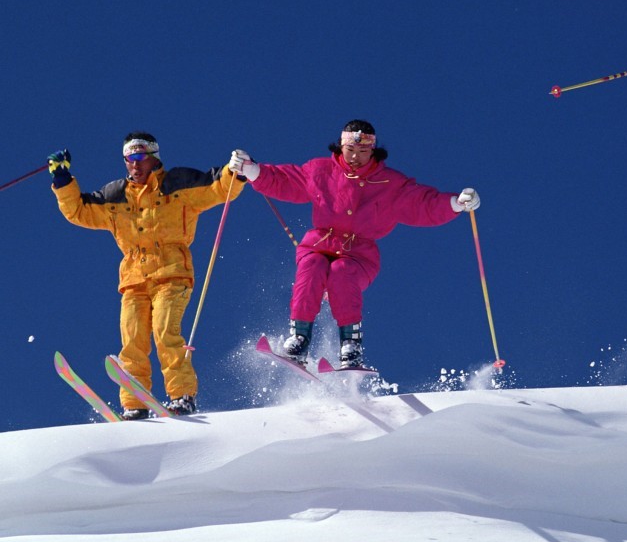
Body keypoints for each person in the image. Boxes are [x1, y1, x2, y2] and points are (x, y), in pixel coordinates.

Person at [227, 119, 480, 369]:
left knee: (341, 272)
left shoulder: (389, 184)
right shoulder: (320, 171)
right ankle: (299, 337)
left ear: (373, 151)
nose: (356, 157)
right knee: (312, 266)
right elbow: (285, 180)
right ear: (340, 148)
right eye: (350, 151)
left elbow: (422, 204)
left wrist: (456, 203)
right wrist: (250, 169)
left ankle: (350, 343)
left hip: (359, 255)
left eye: (363, 152)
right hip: (319, 244)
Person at [49, 132, 245, 419]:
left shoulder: (177, 184)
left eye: (140, 157)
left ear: (154, 157)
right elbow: (79, 210)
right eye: (129, 158)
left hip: (172, 274)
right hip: (134, 280)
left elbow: (217, 188)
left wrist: (235, 170)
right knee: (133, 341)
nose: (135, 164)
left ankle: (181, 396)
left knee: (165, 333)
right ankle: (134, 403)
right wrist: (62, 179)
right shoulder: (115, 196)